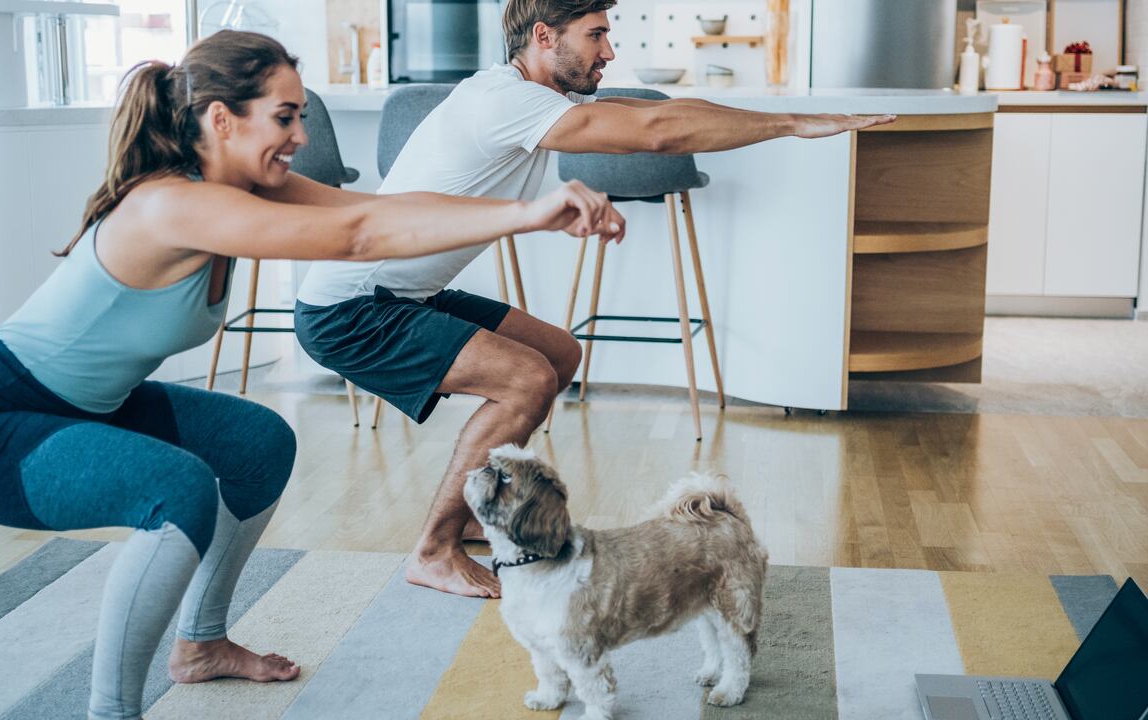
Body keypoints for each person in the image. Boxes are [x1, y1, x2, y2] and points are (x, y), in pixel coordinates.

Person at [0, 30, 620, 720]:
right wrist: (530, 213)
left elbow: (381, 209)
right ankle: (111, 710)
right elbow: (358, 238)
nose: (301, 137)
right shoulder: (172, 203)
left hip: (85, 406)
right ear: (222, 119)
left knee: (257, 443)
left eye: (301, 117)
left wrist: (531, 211)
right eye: (284, 117)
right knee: (176, 490)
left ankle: (201, 643)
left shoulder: (241, 189)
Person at [294, 0, 896, 599]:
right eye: (597, 35)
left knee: (556, 355)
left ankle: (472, 511)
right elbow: (659, 132)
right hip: (352, 309)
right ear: (543, 37)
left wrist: (785, 114)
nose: (609, 52)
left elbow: (657, 111)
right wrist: (791, 126)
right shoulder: (505, 101)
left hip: (403, 295)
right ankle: (433, 549)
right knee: (526, 380)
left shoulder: (530, 93)